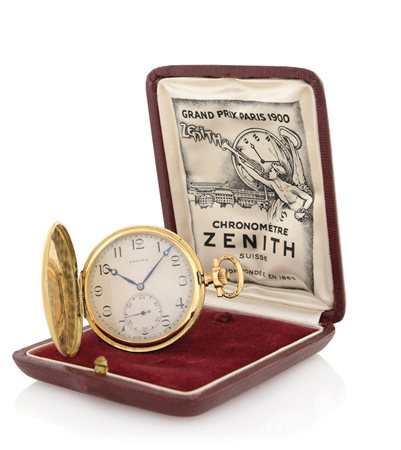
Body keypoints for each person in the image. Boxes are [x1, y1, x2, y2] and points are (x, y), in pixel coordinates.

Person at [237, 160, 313, 221]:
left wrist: (303, 210)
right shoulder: (272, 184)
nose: (269, 172)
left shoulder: (291, 188)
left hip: (299, 212)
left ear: (277, 173)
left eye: (272, 171)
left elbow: (309, 199)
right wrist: (242, 163)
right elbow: (257, 177)